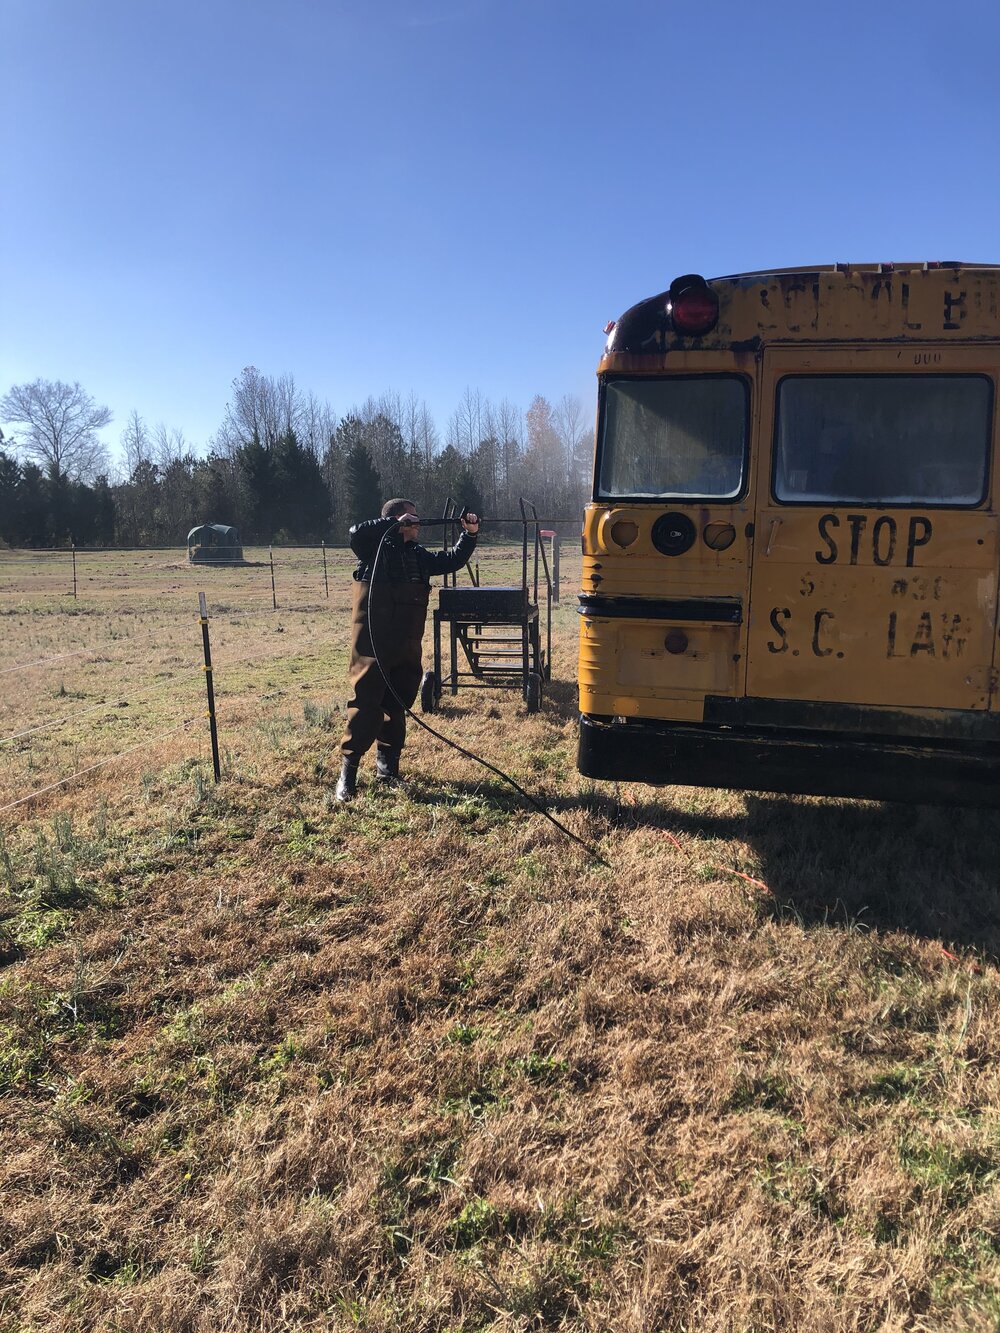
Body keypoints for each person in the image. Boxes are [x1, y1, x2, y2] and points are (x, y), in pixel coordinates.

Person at [335, 498, 480, 802]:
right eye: (412, 519)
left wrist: (469, 534)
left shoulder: (418, 556)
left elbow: (451, 560)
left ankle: (388, 771)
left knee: (397, 702)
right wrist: (393, 524)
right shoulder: (372, 551)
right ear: (397, 520)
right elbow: (355, 533)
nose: (417, 524)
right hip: (373, 641)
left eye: (417, 518)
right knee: (366, 702)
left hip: (406, 641)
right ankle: (348, 775)